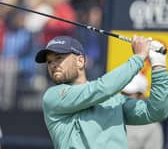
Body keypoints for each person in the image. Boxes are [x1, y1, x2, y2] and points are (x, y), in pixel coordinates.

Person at [35, 35, 168, 149]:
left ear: (80, 61)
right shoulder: (53, 96)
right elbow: (101, 89)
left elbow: (156, 111)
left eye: (59, 58)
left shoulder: (115, 100)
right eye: (49, 62)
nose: (53, 65)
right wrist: (139, 57)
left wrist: (158, 65)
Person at [122, 72, 163, 149]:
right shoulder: (112, 117)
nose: (123, 97)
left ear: (141, 96)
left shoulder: (152, 127)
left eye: (129, 94)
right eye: (123, 93)